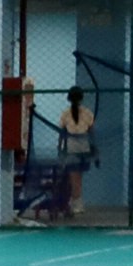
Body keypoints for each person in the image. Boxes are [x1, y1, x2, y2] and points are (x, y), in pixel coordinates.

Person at [49, 86, 97, 225]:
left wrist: (60, 148)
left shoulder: (65, 114)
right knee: (78, 177)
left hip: (72, 148)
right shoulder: (87, 113)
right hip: (84, 147)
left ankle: (76, 203)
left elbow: (62, 133)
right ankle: (75, 201)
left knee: (74, 177)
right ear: (81, 98)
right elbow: (92, 132)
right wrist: (94, 148)